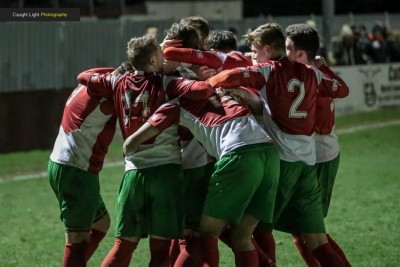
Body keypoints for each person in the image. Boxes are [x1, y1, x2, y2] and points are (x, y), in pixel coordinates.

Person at [207, 22, 350, 267]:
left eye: (255, 50)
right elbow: (342, 89)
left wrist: (207, 85)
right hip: (307, 167)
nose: (252, 55)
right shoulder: (312, 72)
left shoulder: (268, 70)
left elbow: (229, 77)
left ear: (270, 48)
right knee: (317, 240)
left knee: (243, 233)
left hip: (282, 164)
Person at [77, 35, 215, 267]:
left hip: (133, 174)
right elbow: (202, 91)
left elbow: (83, 77)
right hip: (165, 174)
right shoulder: (166, 83)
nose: (164, 57)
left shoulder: (117, 82)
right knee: (160, 253)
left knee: (122, 247)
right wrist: (201, 77)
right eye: (160, 54)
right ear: (152, 60)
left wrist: (117, 72)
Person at [123, 85, 280, 267]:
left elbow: (133, 143)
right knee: (241, 236)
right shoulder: (220, 91)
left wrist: (128, 148)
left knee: (206, 234)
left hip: (238, 155)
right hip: (270, 154)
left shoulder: (174, 104)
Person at [285, 23, 352, 267]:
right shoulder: (315, 73)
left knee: (313, 233)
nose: (286, 55)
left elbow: (322, 122)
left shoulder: (312, 80)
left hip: (320, 157)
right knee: (300, 231)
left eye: (289, 49)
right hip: (312, 158)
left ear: (301, 54)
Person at [48, 67, 118, 267]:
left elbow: (84, 74)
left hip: (62, 162)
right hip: (77, 169)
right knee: (77, 239)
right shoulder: (109, 97)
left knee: (101, 224)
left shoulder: (100, 77)